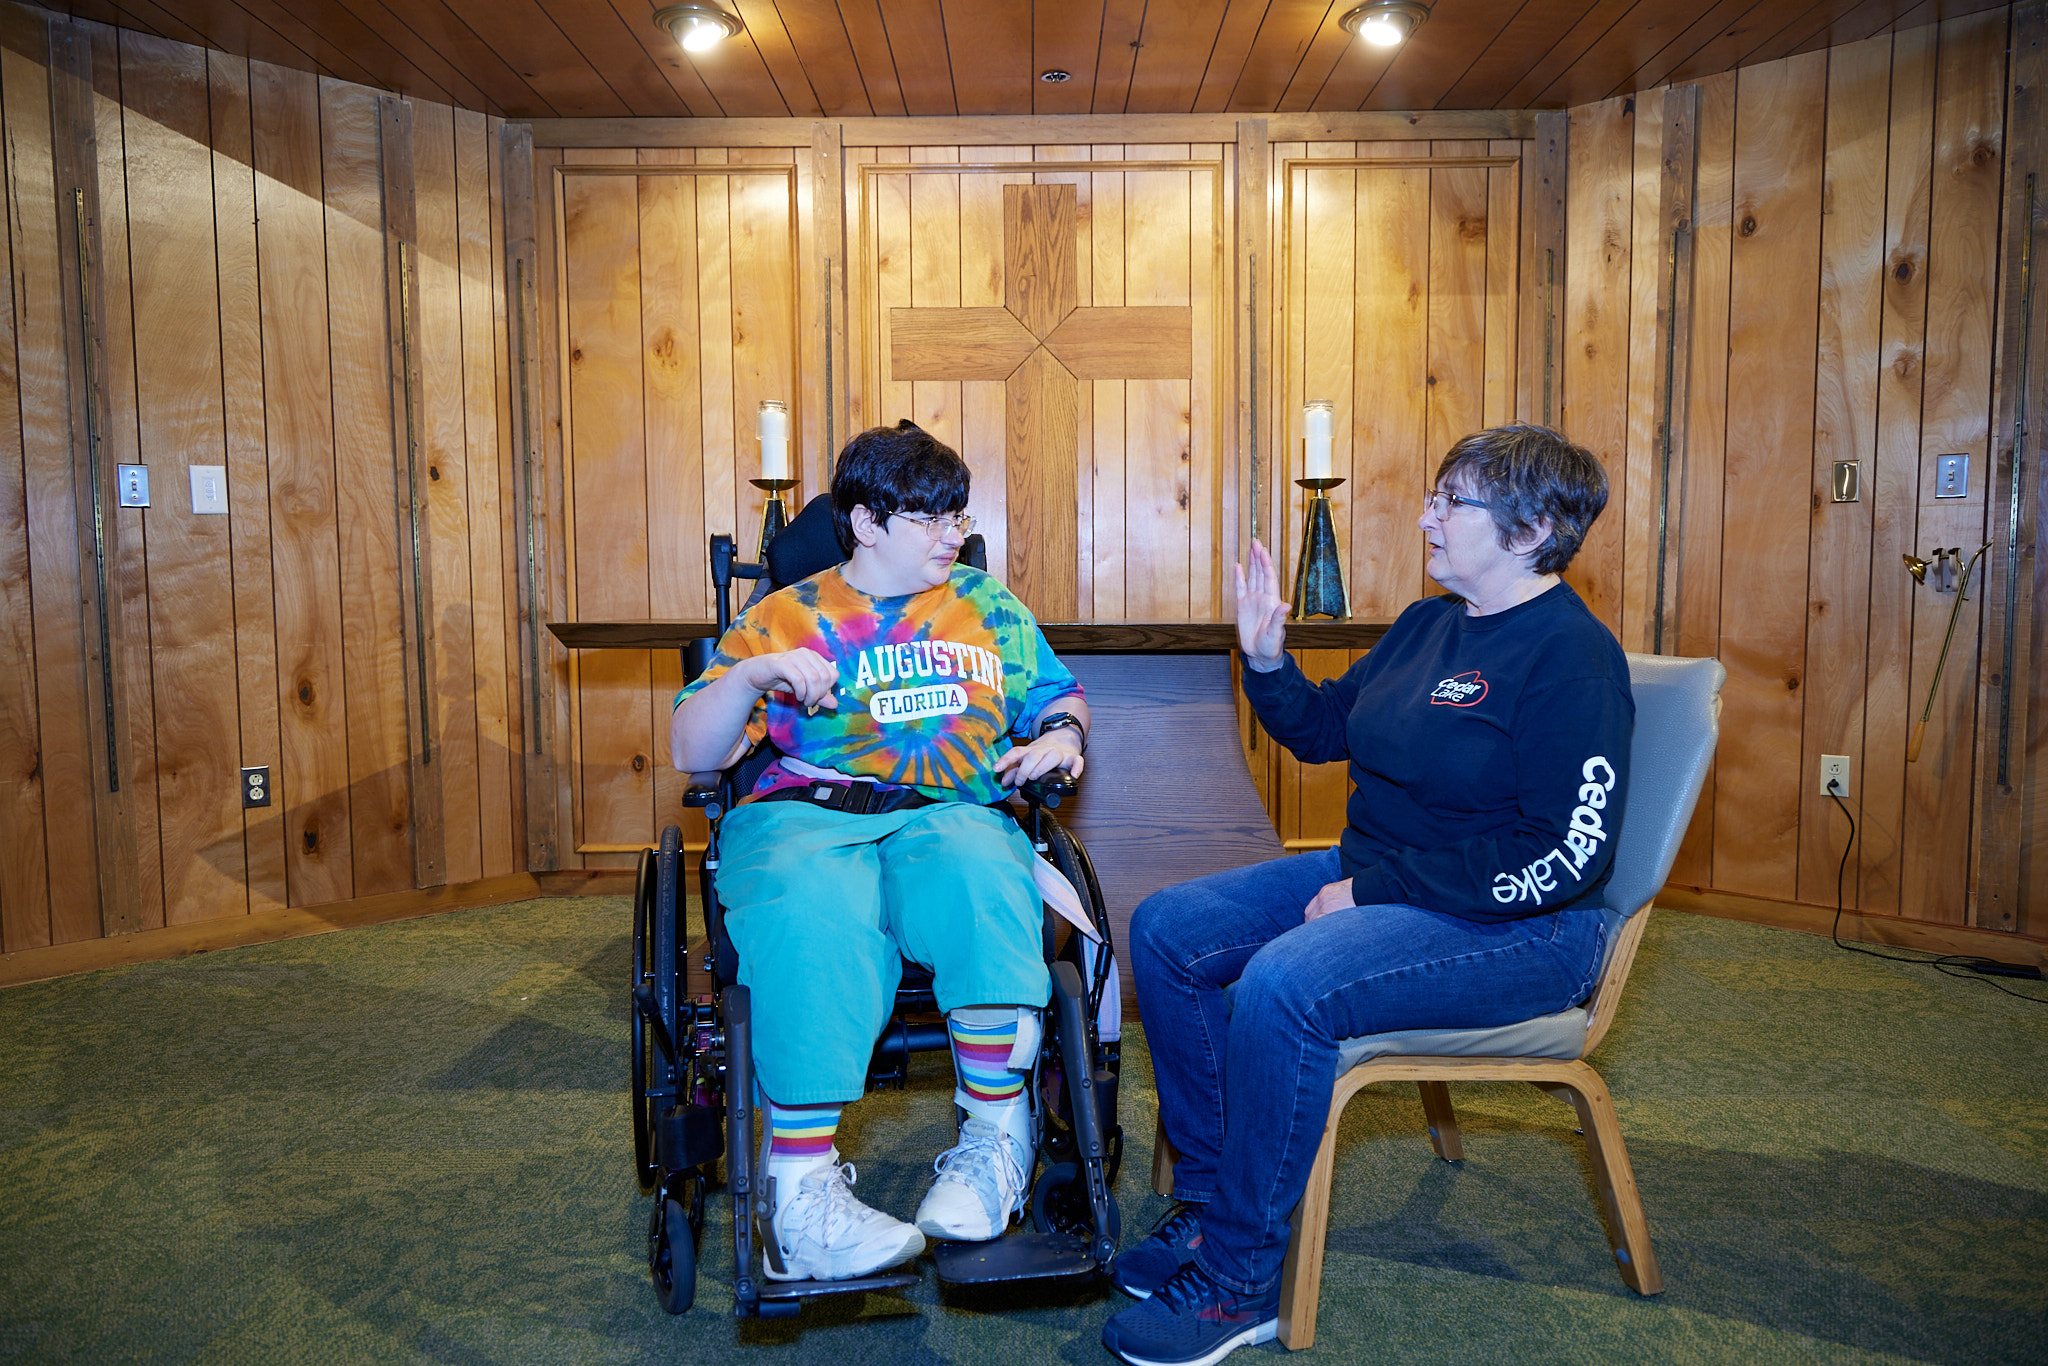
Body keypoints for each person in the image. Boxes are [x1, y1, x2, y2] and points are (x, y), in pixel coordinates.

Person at [1100, 424, 1633, 1366]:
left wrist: (1372, 891)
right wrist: (1267, 661)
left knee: (1286, 983)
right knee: (1170, 929)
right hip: (1385, 876)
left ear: (1529, 531)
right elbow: (1322, 732)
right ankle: (1217, 1203)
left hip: (1527, 926)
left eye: (1451, 502)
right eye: (1434, 495)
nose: (1426, 517)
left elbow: (1567, 855)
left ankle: (1238, 1282)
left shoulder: (1572, 659)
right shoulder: (1429, 625)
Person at [671, 421, 1090, 1283]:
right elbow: (693, 754)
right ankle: (800, 1195)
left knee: (983, 877)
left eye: (957, 515)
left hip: (949, 809)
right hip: (808, 814)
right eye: (929, 518)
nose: (952, 534)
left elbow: (1059, 695)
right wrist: (749, 677)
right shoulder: (785, 615)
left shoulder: (988, 607)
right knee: (812, 911)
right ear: (865, 522)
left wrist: (1061, 736)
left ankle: (994, 1141)